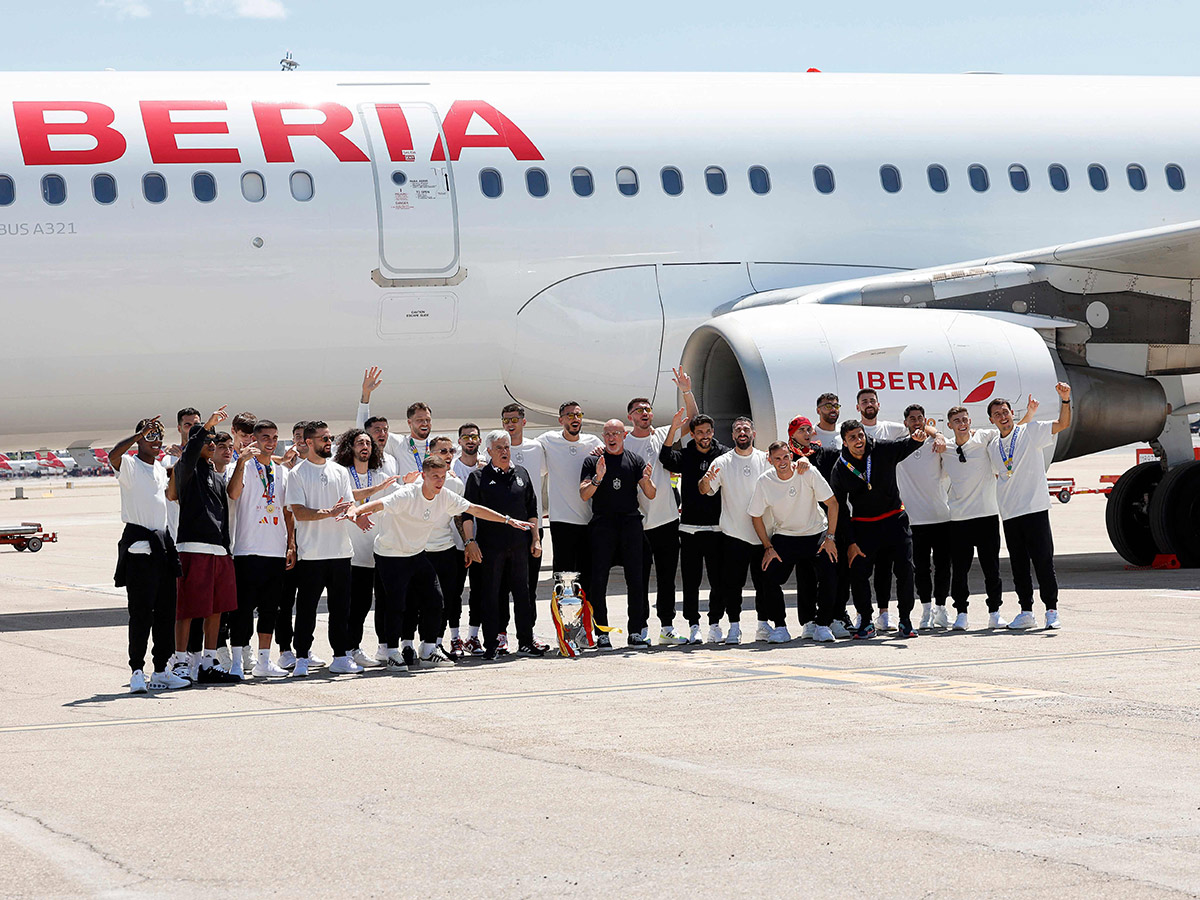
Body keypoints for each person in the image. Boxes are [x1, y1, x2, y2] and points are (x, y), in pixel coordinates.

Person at [346, 455, 532, 663]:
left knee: (436, 600)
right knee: (397, 604)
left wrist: (507, 520)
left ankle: (428, 649)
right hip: (390, 554)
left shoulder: (445, 496)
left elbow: (473, 509)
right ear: (423, 476)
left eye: (442, 476)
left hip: (416, 553)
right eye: (434, 476)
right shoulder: (407, 494)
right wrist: (356, 511)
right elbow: (378, 504)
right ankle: (392, 653)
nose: (439, 481)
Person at [829, 418, 933, 640]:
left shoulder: (882, 449)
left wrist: (917, 439)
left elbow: (905, 445)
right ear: (845, 442)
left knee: (905, 569)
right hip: (864, 527)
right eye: (852, 438)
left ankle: (905, 620)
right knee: (858, 572)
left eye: (860, 435)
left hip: (895, 520)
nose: (859, 440)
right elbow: (841, 509)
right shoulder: (840, 468)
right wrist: (850, 543)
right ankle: (866, 621)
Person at [111, 416, 189, 692]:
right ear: (140, 439)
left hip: (163, 548)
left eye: (158, 437)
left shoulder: (159, 468)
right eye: (149, 437)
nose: (156, 442)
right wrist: (137, 436)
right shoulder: (130, 465)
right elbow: (114, 455)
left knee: (166, 614)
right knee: (141, 614)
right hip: (139, 551)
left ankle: (160, 669)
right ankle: (136, 670)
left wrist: (178, 460)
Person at [622, 367, 698, 645]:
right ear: (630, 416)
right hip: (638, 523)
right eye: (638, 409)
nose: (644, 412)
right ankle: (639, 629)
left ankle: (667, 627)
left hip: (667, 520)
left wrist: (687, 391)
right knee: (638, 580)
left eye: (648, 409)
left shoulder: (664, 434)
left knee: (667, 579)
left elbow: (692, 420)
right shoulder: (624, 442)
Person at [987, 384, 1073, 630]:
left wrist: (1065, 400)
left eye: (1005, 412)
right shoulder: (993, 446)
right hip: (1010, 514)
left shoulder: (1031, 431)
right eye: (997, 414)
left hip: (1034, 510)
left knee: (1043, 562)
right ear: (991, 419)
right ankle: (1026, 611)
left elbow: (1062, 424)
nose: (1003, 417)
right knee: (1019, 566)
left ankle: (1051, 610)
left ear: (1012, 413)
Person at [172, 406, 241, 684]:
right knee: (187, 608)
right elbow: (190, 452)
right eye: (207, 441)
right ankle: (180, 661)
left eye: (215, 442)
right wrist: (208, 424)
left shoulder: (215, 475)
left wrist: (226, 549)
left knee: (217, 608)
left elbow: (222, 514)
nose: (211, 445)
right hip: (193, 548)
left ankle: (208, 661)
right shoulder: (186, 470)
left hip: (218, 550)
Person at [287, 420, 360, 676]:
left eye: (330, 438)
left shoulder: (340, 471)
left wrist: (355, 515)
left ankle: (341, 656)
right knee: (306, 610)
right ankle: (302, 658)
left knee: (341, 610)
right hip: (312, 555)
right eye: (323, 438)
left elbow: (348, 505)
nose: (329, 442)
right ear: (309, 442)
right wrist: (329, 513)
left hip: (341, 552)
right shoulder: (297, 473)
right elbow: (299, 512)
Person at [463, 431, 546, 657]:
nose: (504, 452)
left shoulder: (522, 474)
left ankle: (526, 642)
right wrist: (470, 542)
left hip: (520, 546)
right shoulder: (478, 478)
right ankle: (492, 644)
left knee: (523, 594)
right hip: (491, 547)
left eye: (507, 447)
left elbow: (532, 510)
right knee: (491, 595)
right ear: (488, 451)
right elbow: (467, 514)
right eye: (499, 448)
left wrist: (536, 539)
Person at [699, 417, 781, 644]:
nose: (742, 432)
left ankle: (763, 625)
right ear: (733, 436)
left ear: (753, 433)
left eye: (746, 428)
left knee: (764, 584)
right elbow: (706, 490)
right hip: (734, 534)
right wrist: (705, 481)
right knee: (733, 585)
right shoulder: (722, 462)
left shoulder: (765, 459)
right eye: (738, 430)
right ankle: (734, 627)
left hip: (764, 534)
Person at [943, 404, 1024, 630]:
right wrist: (937, 435)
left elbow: (1011, 429)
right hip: (959, 520)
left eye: (965, 419)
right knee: (959, 571)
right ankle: (961, 613)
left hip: (987, 517)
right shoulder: (945, 447)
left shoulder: (984, 437)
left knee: (992, 569)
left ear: (971, 421)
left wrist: (1031, 413)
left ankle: (994, 612)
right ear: (950, 425)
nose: (962, 423)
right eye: (957, 420)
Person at [751, 441, 841, 642]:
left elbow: (832, 503)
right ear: (770, 460)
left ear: (790, 456)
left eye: (785, 457)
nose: (782, 462)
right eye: (777, 458)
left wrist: (830, 538)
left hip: (816, 532)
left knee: (830, 569)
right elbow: (755, 516)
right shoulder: (764, 481)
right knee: (768, 574)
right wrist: (768, 547)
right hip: (785, 536)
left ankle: (823, 625)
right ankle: (780, 627)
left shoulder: (808, 472)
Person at [227, 419, 295, 679]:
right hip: (247, 548)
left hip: (275, 549)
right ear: (254, 440)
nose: (271, 441)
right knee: (242, 609)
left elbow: (286, 510)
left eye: (275, 437)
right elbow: (233, 494)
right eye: (265, 437)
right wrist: (242, 463)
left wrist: (291, 544)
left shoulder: (282, 472)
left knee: (270, 608)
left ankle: (264, 661)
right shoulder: (240, 466)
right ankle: (236, 661)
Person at [580, 420, 656, 647]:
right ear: (603, 436)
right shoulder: (593, 460)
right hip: (603, 525)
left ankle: (635, 632)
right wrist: (598, 477)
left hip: (630, 524)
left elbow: (650, 494)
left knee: (635, 580)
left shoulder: (634, 460)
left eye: (616, 433)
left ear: (624, 435)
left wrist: (648, 480)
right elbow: (584, 494)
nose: (611, 437)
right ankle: (602, 633)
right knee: (598, 581)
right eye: (607, 434)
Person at [660, 410, 729, 644]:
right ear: (692, 434)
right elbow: (665, 457)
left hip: (717, 529)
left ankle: (715, 624)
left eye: (708, 431)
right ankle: (693, 625)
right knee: (691, 582)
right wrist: (673, 428)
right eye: (699, 432)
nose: (705, 436)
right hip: (689, 529)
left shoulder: (723, 455)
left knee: (718, 581)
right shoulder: (686, 454)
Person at [334, 428, 400, 668]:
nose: (365, 447)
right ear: (349, 447)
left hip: (378, 550)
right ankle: (351, 648)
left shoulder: (380, 473)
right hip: (351, 553)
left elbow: (395, 498)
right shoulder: (342, 473)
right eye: (360, 442)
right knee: (356, 606)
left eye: (368, 443)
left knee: (383, 603)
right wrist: (372, 494)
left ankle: (384, 647)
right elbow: (343, 500)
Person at [400, 436, 466, 665]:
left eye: (450, 451)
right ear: (430, 454)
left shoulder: (456, 484)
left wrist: (468, 543)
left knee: (442, 602)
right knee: (412, 601)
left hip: (445, 549)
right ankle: (406, 645)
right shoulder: (416, 483)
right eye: (442, 451)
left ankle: (434, 645)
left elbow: (460, 516)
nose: (448, 455)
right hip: (418, 549)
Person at [786, 415, 853, 638]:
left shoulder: (826, 453)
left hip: (830, 521)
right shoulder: (786, 457)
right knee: (805, 574)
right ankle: (808, 621)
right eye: (801, 430)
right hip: (802, 524)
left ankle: (834, 616)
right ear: (792, 433)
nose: (807, 434)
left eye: (808, 429)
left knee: (835, 571)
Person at [854, 388, 910, 631]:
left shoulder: (891, 431)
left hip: (891, 516)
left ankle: (894, 617)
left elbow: (915, 433)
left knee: (896, 569)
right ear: (857, 408)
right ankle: (864, 617)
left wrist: (936, 435)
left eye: (871, 401)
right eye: (864, 401)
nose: (868, 404)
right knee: (862, 571)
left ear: (878, 404)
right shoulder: (850, 434)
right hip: (864, 520)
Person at [896, 404, 954, 631]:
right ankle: (927, 609)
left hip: (940, 516)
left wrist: (937, 434)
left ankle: (941, 608)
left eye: (920, 418)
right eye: (912, 418)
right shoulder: (900, 448)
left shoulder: (937, 445)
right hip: (914, 521)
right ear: (906, 423)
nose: (916, 421)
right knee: (920, 569)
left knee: (943, 566)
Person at [537, 401, 603, 594]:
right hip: (561, 521)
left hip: (589, 520)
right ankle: (565, 622)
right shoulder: (548, 440)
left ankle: (588, 621)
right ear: (561, 420)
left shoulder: (593, 442)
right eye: (570, 415)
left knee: (588, 577)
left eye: (578, 415)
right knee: (564, 578)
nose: (575, 419)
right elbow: (523, 448)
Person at [501, 403, 545, 634]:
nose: (511, 424)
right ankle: (501, 634)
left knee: (529, 587)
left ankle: (529, 633)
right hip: (503, 529)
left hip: (532, 527)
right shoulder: (495, 450)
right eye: (507, 420)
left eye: (515, 419)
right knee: (502, 587)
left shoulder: (536, 448)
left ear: (524, 422)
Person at [356, 366, 432, 479]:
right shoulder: (398, 443)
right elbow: (364, 431)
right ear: (409, 423)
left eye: (428, 420)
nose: (425, 423)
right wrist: (366, 394)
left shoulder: (436, 446)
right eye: (420, 420)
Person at [275, 421, 309, 670]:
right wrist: (290, 542)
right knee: (285, 599)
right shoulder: (285, 470)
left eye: (304, 437)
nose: (300, 441)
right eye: (296, 437)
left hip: (313, 540)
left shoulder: (322, 468)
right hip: (290, 537)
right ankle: (284, 649)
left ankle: (303, 649)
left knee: (308, 599)